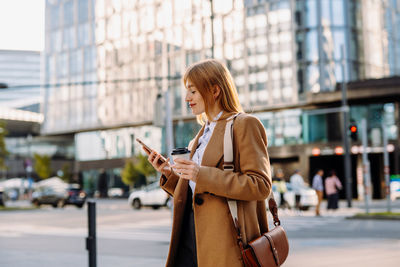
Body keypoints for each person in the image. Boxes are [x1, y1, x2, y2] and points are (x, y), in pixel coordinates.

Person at [147, 59, 271, 267]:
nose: (187, 98)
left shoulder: (244, 125)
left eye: (193, 91)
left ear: (214, 91)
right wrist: (170, 173)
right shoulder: (200, 135)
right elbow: (197, 191)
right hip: (190, 237)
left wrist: (200, 174)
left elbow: (260, 185)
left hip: (226, 243)